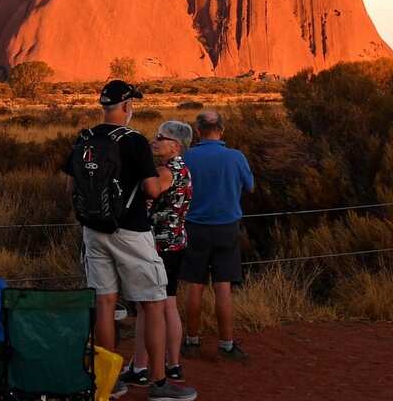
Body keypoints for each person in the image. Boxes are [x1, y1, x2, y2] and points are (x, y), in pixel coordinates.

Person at [64, 81, 196, 401]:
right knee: (152, 303)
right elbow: (151, 191)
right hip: (131, 232)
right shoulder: (135, 141)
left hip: (93, 231)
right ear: (127, 106)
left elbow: (70, 190)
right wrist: (164, 180)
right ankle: (160, 383)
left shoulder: (85, 138)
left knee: (105, 303)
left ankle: (107, 382)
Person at [124, 121, 193, 387]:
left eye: (160, 138)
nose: (154, 140)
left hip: (158, 247)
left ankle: (141, 367)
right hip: (177, 243)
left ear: (175, 145)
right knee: (168, 305)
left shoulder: (165, 171)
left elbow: (152, 191)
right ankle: (173, 364)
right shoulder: (184, 169)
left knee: (147, 307)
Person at [181, 110, 254, 362]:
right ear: (221, 131)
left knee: (195, 285)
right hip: (227, 228)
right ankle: (226, 345)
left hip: (194, 228)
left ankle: (191, 342)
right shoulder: (235, 157)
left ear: (198, 131)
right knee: (223, 287)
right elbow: (250, 186)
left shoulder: (187, 156)